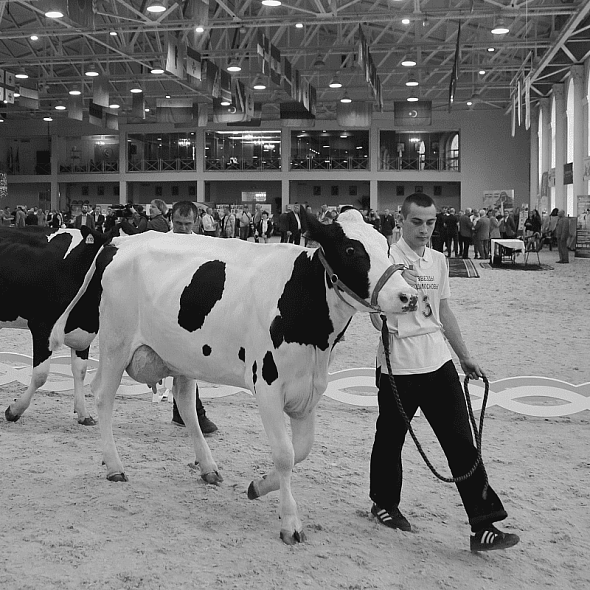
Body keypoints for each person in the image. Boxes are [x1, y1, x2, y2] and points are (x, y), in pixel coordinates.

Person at [368, 192, 520, 552]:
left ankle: (483, 525)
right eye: (417, 222)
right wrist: (380, 319)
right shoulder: (386, 259)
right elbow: (373, 311)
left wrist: (464, 355)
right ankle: (384, 503)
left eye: (430, 222)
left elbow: (444, 312)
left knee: (461, 443)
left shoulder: (438, 260)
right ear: (401, 221)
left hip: (438, 362)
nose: (425, 229)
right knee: (390, 439)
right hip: (398, 367)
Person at [167, 201, 218, 434]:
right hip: (164, 309)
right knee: (182, 363)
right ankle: (193, 413)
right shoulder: (160, 244)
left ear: (196, 222)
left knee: (186, 363)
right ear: (171, 220)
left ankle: (183, 413)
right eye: (178, 223)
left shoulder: (205, 245)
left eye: (187, 224)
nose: (182, 228)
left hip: (193, 311)